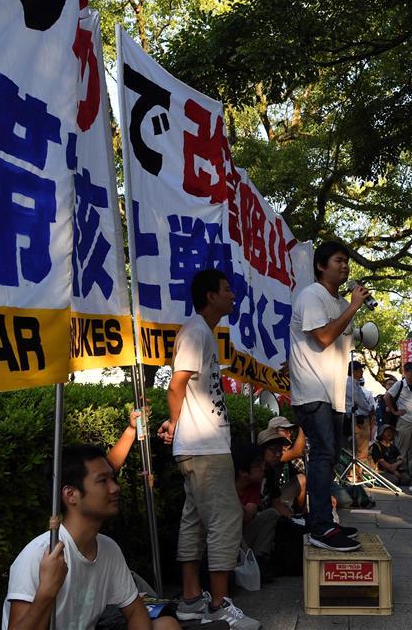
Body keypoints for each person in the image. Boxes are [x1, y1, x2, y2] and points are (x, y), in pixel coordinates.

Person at [157, 269, 258, 628]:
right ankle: (217, 605)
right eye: (227, 290)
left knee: (195, 522)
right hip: (205, 449)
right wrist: (177, 422)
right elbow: (176, 385)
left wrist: (177, 425)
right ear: (210, 295)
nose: (233, 295)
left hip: (200, 447)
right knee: (225, 520)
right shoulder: (196, 332)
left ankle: (189, 601)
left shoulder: (203, 334)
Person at [3, 445, 179, 630]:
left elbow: (136, 612)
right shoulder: (40, 554)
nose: (115, 488)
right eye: (103, 481)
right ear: (71, 495)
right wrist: (46, 592)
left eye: (113, 478)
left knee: (165, 625)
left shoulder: (108, 548)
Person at [288, 240, 369, 552]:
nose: (345, 266)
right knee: (322, 456)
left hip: (332, 395)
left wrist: (349, 310)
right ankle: (320, 527)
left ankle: (324, 522)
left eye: (347, 261)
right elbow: (322, 337)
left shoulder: (336, 303)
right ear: (321, 266)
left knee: (330, 457)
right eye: (338, 260)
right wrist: (353, 306)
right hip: (313, 393)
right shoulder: (312, 296)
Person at [232, 444, 278, 582]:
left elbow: (248, 515)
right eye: (258, 465)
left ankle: (259, 561)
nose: (263, 468)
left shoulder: (254, 485)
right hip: (227, 538)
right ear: (243, 472)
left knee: (271, 514)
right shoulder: (225, 485)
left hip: (243, 534)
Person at [384, 362, 412, 481]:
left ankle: (411, 469)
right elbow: (387, 397)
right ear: (405, 372)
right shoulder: (399, 384)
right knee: (402, 446)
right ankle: (400, 469)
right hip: (404, 420)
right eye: (411, 372)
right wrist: (394, 412)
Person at [346, 361, 374, 480]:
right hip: (358, 419)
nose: (362, 371)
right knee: (361, 450)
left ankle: (356, 473)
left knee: (358, 449)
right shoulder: (350, 383)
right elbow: (360, 401)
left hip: (358, 418)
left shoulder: (354, 383)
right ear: (355, 371)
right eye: (360, 369)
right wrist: (369, 408)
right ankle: (356, 475)